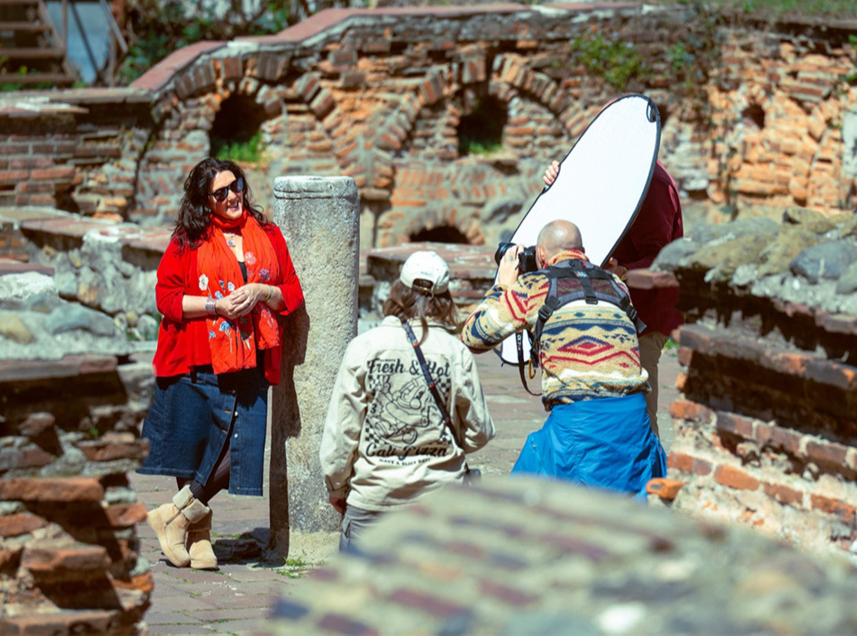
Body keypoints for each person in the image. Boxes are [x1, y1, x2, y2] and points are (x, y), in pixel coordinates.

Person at [138, 157, 303, 569]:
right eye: (221, 192)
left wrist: (263, 291)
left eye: (237, 186)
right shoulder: (188, 239)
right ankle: (198, 540)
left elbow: (292, 293)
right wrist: (217, 305)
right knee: (196, 444)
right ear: (204, 201)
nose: (233, 197)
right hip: (198, 353)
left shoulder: (267, 234)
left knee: (243, 448)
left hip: (254, 353)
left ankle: (173, 513)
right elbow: (167, 298)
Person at [460, 220, 664, 496]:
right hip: (634, 426)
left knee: (517, 503)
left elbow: (473, 336)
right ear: (583, 250)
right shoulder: (616, 285)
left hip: (579, 428)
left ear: (541, 255)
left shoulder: (535, 286)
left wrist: (503, 285)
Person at [321, 251, 494, 551]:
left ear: (397, 291)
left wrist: (337, 486)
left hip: (375, 499)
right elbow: (479, 431)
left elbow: (342, 432)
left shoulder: (365, 347)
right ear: (446, 298)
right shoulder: (455, 352)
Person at [543, 158, 683, 439]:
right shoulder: (606, 167)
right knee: (604, 410)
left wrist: (622, 271)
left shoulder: (652, 181)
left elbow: (664, 259)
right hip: (605, 307)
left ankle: (647, 481)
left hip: (642, 315)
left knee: (637, 414)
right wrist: (557, 184)